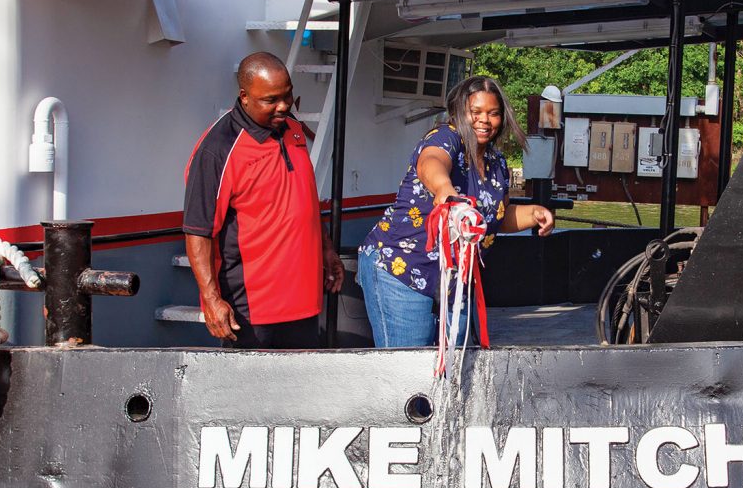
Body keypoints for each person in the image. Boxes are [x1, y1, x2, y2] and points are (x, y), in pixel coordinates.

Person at [356, 75, 554, 348]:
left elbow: (496, 217)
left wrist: (534, 213)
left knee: (455, 366)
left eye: (493, 114)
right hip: (401, 269)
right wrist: (445, 190)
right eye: (476, 112)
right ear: (459, 113)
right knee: (407, 371)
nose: (485, 120)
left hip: (453, 280)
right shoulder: (445, 137)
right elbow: (432, 162)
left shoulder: (497, 162)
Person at [182, 52, 344, 349]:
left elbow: (304, 198)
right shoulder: (218, 148)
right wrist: (210, 298)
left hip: (304, 301)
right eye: (271, 100)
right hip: (252, 309)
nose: (283, 106)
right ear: (244, 97)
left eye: (288, 95)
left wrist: (327, 249)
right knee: (251, 394)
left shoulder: (293, 129)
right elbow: (198, 231)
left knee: (300, 389)